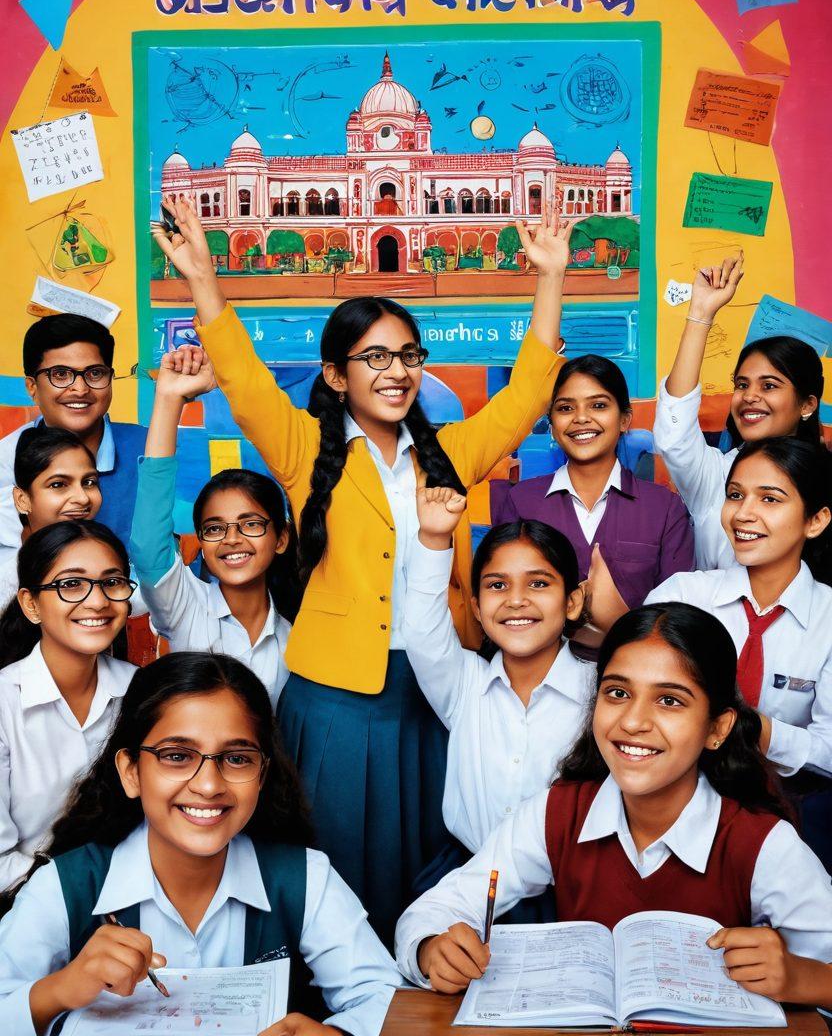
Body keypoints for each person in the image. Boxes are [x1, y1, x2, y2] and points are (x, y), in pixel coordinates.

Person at [151, 193, 571, 948]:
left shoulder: (448, 453)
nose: (397, 371)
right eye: (375, 357)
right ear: (337, 375)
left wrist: (551, 277)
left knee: (429, 867)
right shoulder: (307, 449)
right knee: (332, 877)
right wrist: (205, 280)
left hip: (433, 695)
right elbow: (244, 383)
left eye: (409, 356)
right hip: (334, 701)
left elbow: (528, 395)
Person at [394, 604, 832, 1008]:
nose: (633, 722)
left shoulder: (762, 844)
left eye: (670, 700)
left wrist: (800, 977)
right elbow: (432, 913)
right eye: (617, 693)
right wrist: (433, 948)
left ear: (717, 728)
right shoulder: (557, 812)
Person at [0, 653, 402, 1036]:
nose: (209, 786)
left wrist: (335, 1032)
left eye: (237, 759)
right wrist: (58, 990)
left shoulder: (305, 879)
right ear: (131, 772)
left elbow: (387, 999)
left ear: (262, 774)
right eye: (177, 756)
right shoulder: (64, 887)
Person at [646, 437, 832, 868]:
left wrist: (754, 728)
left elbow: (828, 750)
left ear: (816, 519)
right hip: (669, 813)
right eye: (735, 495)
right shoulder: (683, 596)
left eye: (770, 498)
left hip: (782, 827)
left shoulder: (827, 619)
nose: (744, 513)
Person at [405, 488, 591, 856]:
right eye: (497, 585)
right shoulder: (463, 684)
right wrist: (434, 538)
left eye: (538, 583)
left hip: (565, 881)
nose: (516, 599)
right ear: (476, 607)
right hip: (468, 873)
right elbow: (421, 629)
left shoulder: (600, 690)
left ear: (572, 602)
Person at [130, 344, 301, 708]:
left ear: (282, 537)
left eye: (250, 523)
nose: (232, 539)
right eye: (214, 528)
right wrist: (169, 399)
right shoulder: (185, 605)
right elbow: (147, 543)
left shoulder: (299, 636)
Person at [491, 355, 694, 630]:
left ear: (624, 419)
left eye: (598, 405)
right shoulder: (521, 502)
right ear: (551, 424)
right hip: (542, 668)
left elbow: (677, 616)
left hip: (634, 668)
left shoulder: (665, 509)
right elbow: (502, 596)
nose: (581, 418)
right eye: (565, 408)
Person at [653, 252, 824, 568]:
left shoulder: (825, 477)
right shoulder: (716, 476)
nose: (750, 396)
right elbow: (674, 432)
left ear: (807, 404)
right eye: (742, 384)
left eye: (769, 386)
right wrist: (701, 313)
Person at [0, 521, 136, 893]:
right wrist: (83, 897)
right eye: (70, 584)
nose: (97, 601)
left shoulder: (143, 691)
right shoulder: (4, 703)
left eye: (112, 582)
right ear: (31, 605)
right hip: (22, 906)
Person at [0, 314, 146, 567]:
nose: (80, 389)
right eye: (60, 374)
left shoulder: (153, 448)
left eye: (95, 373)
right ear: (32, 387)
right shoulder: (6, 460)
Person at [0, 427, 101, 610]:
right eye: (58, 484)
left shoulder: (113, 565)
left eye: (89, 482)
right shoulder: (7, 583)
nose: (83, 498)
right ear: (22, 500)